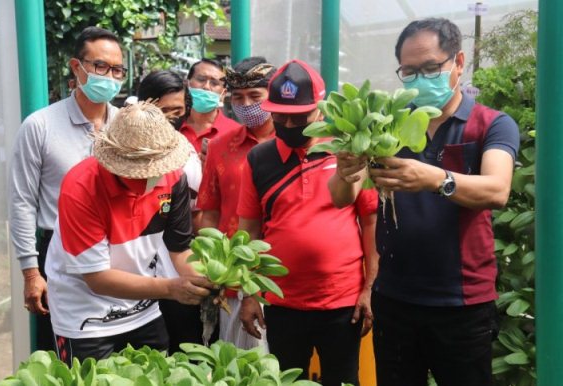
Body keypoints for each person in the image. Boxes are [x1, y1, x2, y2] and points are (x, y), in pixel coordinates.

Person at [329, 18, 520, 386]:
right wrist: (345, 170)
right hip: (396, 297)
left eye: (431, 68)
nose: (420, 79)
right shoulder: (387, 127)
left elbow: (497, 189)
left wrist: (437, 180)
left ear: (459, 63)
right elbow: (341, 198)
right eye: (409, 71)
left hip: (462, 302)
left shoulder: (490, 124)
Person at [237, 59, 379, 386]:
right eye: (279, 115)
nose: (288, 123)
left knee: (343, 380)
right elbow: (248, 233)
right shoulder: (259, 159)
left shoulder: (347, 152)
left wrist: (369, 289)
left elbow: (371, 223)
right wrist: (249, 294)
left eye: (298, 116)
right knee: (289, 380)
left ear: (320, 110)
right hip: (282, 302)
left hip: (343, 302)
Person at [45, 102, 214, 363]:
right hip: (85, 317)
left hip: (144, 309)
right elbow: (97, 278)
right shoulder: (82, 187)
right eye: (138, 170)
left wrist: (205, 283)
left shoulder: (174, 178)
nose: (150, 176)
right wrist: (170, 289)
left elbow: (179, 249)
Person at [9, 26, 124, 351]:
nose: (110, 76)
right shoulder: (40, 126)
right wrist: (31, 272)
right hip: (61, 255)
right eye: (100, 66)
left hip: (119, 253)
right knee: (67, 352)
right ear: (77, 66)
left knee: (123, 350)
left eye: (117, 69)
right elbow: (21, 202)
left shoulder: (126, 125)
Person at [197, 56, 276, 349]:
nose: (246, 105)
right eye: (238, 98)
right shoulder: (219, 146)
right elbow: (210, 212)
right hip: (236, 277)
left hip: (288, 272)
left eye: (255, 96)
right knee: (243, 366)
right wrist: (210, 265)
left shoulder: (294, 142)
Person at [134, 70, 207, 352]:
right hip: (134, 276)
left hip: (176, 270)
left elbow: (196, 213)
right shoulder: (123, 152)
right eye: (162, 111)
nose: (171, 118)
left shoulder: (186, 152)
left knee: (183, 350)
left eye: (177, 110)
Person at [180, 58, 240, 157]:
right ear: (187, 84)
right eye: (201, 79)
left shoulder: (236, 133)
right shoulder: (172, 127)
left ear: (223, 93)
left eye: (214, 83)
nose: (206, 87)